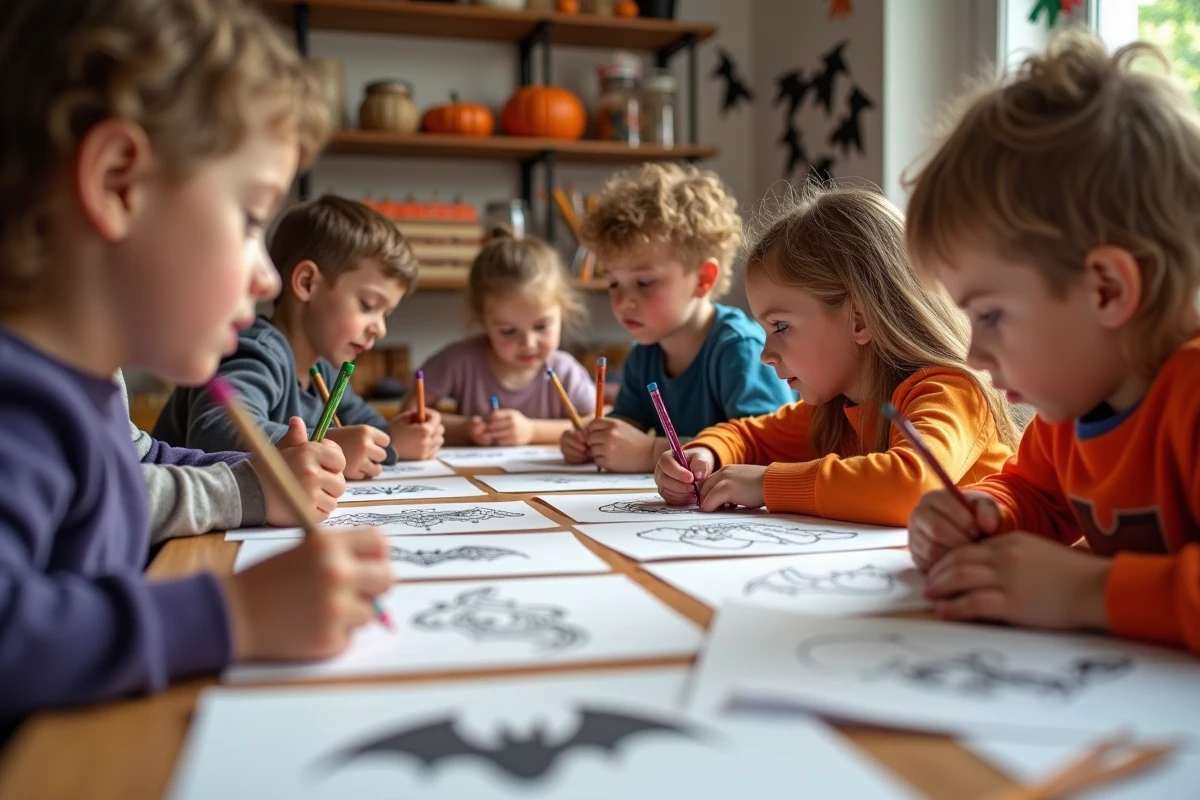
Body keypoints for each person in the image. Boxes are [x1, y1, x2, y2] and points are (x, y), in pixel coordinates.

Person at [0, 0, 391, 735]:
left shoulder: (90, 387)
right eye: (250, 220)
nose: (267, 277)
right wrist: (233, 614)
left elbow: (137, 462)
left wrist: (259, 477)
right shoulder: (20, 402)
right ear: (118, 182)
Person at [905, 32, 1200, 652]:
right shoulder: (1073, 406)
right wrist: (983, 513)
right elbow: (1035, 494)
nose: (972, 356)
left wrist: (1085, 593)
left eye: (990, 315)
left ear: (1107, 289)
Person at [656, 186, 1017, 527]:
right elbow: (751, 437)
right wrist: (706, 454)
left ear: (860, 319)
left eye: (780, 326)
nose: (766, 355)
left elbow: (911, 484)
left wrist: (767, 484)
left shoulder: (950, 392)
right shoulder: (836, 408)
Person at [153, 194, 445, 478]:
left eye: (386, 314)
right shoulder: (255, 351)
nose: (379, 329)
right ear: (307, 283)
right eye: (368, 305)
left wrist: (397, 436)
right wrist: (328, 445)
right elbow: (215, 430)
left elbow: (364, 425)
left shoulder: (324, 369)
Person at [562, 163, 795, 472]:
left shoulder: (739, 348)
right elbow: (628, 424)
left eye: (644, 282)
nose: (623, 301)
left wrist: (650, 452)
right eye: (614, 282)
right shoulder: (643, 353)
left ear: (703, 279)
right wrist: (595, 440)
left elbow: (769, 447)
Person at [417, 230, 595, 446]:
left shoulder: (565, 371)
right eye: (508, 331)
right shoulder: (458, 361)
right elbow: (411, 414)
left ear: (563, 312)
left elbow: (597, 421)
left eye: (541, 326)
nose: (528, 343)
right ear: (483, 320)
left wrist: (533, 431)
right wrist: (464, 429)